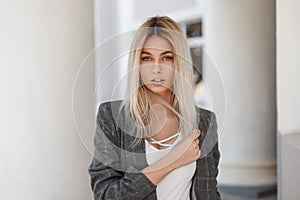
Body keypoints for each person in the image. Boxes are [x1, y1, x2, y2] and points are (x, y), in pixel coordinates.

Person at [89, 16, 221, 200]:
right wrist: (171, 160)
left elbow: (209, 193)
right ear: (137, 63)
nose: (156, 69)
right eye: (147, 58)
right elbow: (106, 195)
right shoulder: (111, 116)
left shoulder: (205, 122)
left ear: (179, 63)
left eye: (167, 58)